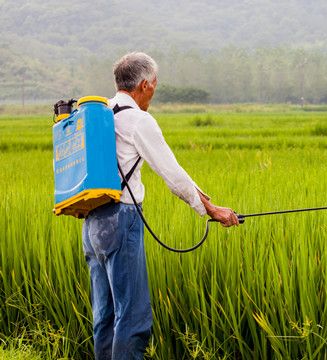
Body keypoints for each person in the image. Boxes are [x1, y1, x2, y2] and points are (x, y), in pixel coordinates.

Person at [81, 52, 238, 359]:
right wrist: (210, 209)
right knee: (133, 317)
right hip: (121, 220)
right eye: (154, 83)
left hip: (91, 223)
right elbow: (173, 175)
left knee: (106, 317)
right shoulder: (138, 120)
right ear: (145, 85)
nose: (154, 89)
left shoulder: (99, 115)